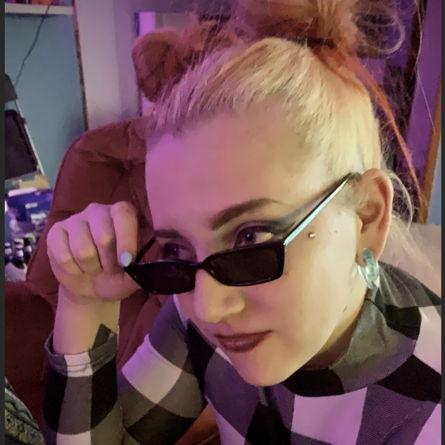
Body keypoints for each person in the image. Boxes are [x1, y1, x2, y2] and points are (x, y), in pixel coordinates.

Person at [43, 1, 440, 444]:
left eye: (251, 238)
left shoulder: (428, 406)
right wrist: (83, 301)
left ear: (366, 218)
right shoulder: (200, 302)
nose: (208, 309)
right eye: (178, 250)